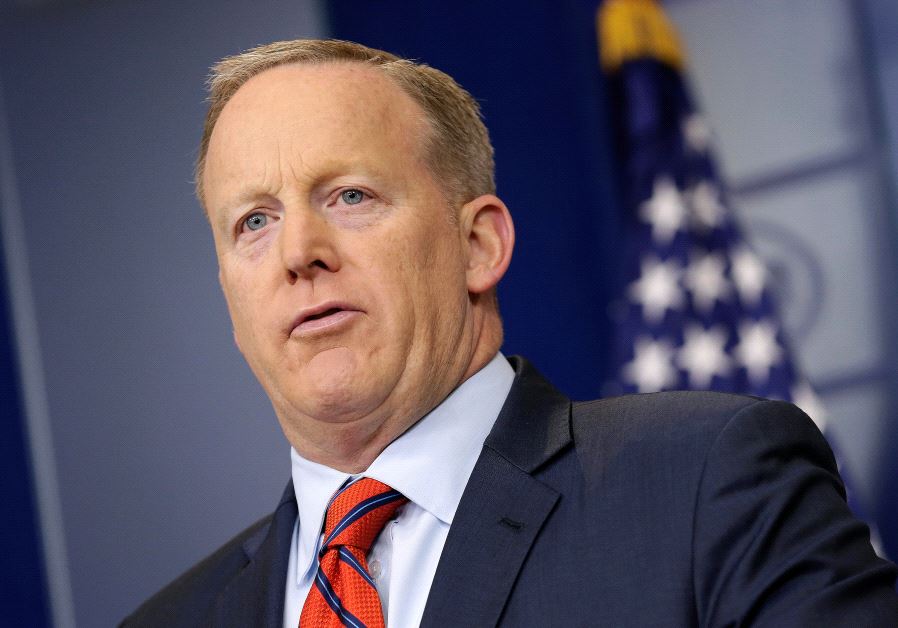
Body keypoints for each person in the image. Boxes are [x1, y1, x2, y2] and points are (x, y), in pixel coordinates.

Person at [123, 39, 898, 627]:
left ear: (478, 246)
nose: (298, 254)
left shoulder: (708, 483)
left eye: (350, 195)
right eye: (253, 221)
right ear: (229, 291)